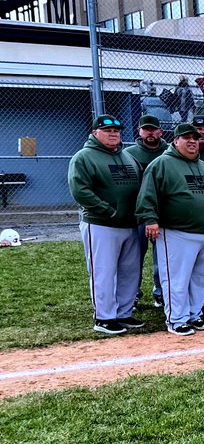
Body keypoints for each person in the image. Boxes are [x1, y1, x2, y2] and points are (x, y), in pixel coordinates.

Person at [136, 121, 204, 336]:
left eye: (195, 138)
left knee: (200, 278)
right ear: (175, 141)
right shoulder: (162, 163)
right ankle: (176, 319)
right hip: (176, 231)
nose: (192, 141)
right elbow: (147, 194)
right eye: (187, 138)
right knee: (177, 278)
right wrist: (150, 219)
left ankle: (194, 314)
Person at [68, 115, 144, 335]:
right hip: (101, 223)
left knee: (130, 271)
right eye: (107, 130)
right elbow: (80, 190)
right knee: (103, 271)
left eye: (117, 131)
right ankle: (104, 317)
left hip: (130, 224)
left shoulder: (127, 157)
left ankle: (124, 313)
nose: (113, 134)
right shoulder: (84, 157)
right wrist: (108, 210)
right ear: (95, 133)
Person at [126, 115, 168, 308]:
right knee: (134, 257)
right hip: (138, 214)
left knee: (162, 257)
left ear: (160, 131)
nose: (150, 133)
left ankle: (160, 292)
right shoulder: (129, 153)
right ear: (139, 131)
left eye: (154, 129)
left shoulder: (170, 152)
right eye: (146, 129)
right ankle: (132, 294)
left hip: (165, 213)